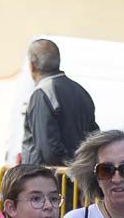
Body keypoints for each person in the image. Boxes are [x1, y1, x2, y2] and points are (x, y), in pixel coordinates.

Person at [20, 39, 98, 169]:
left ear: (32, 65)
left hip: (47, 181)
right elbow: (94, 137)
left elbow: (48, 151)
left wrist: (69, 170)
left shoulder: (42, 94)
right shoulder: (81, 91)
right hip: (78, 180)